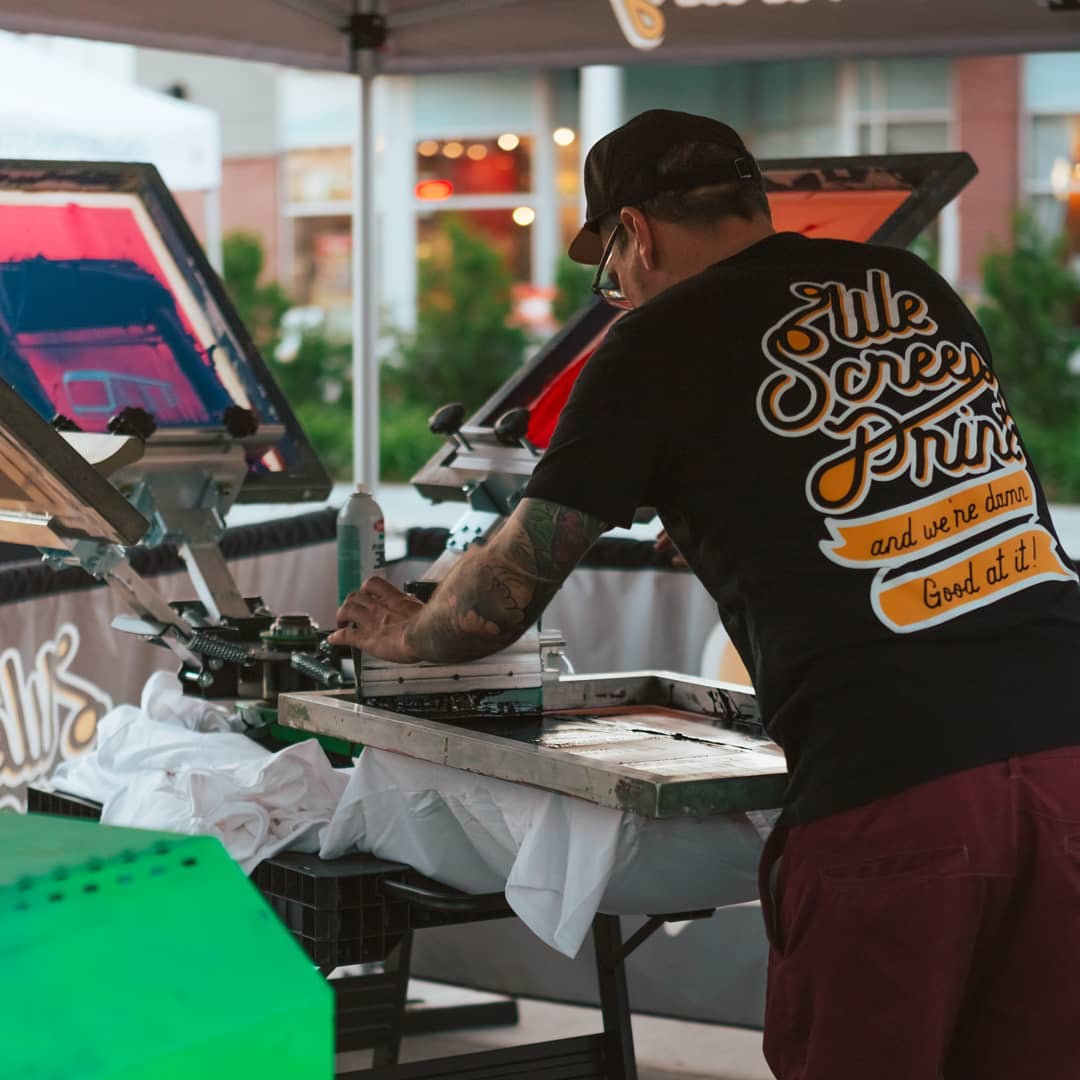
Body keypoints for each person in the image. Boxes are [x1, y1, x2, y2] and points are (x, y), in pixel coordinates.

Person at [330, 109, 1080, 1079]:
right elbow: (927, 484)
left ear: (635, 233)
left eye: (610, 268)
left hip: (897, 786)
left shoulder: (649, 345)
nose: (618, 290)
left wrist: (404, 633)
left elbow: (500, 598)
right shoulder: (907, 285)